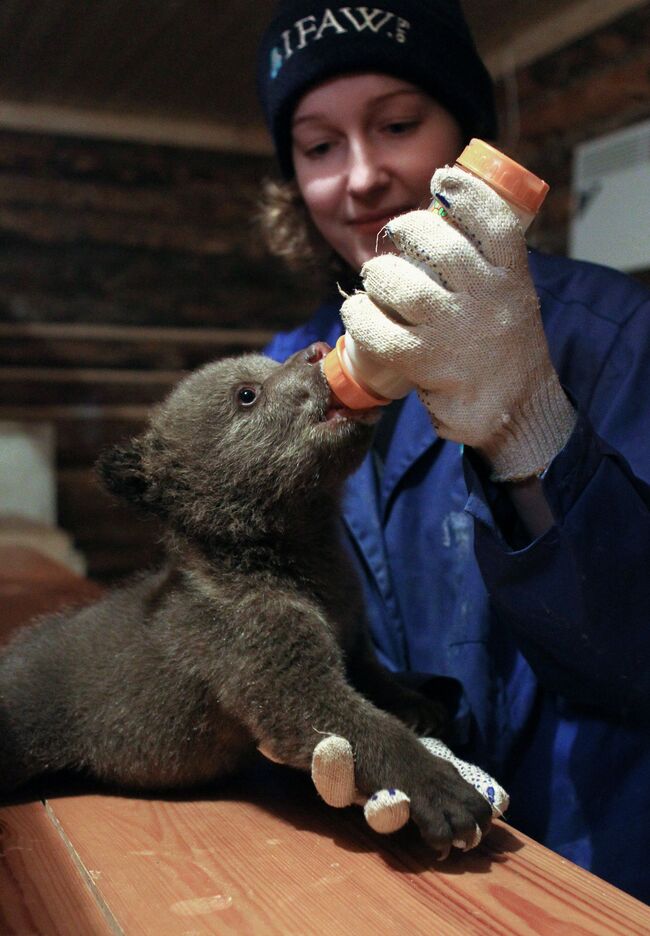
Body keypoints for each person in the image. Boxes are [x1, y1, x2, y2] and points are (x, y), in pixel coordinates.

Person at [255, 0, 650, 903]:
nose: (360, 176)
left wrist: (527, 418)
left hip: (593, 862)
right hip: (382, 867)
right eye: (318, 146)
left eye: (397, 124)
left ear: (466, 136)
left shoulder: (608, 332)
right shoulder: (286, 369)